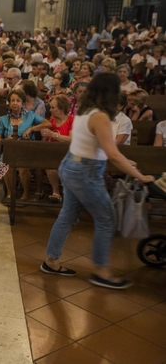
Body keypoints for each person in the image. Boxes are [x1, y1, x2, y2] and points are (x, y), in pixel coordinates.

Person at [42, 73, 153, 289]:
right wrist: (140, 176)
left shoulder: (84, 111)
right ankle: (101, 271)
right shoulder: (100, 116)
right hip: (85, 172)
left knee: (67, 216)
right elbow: (112, 153)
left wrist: (125, 160)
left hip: (71, 165)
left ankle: (51, 261)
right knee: (106, 220)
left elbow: (93, 144)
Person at [0, 89, 51, 200]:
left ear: (23, 103)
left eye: (18, 100)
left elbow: (47, 123)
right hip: (11, 150)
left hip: (27, 149)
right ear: (9, 103)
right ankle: (10, 194)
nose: (15, 103)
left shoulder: (30, 116)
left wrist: (31, 128)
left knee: (22, 167)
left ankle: (25, 194)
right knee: (7, 165)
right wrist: (5, 140)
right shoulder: (4, 119)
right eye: (12, 101)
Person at [39, 95, 74, 202]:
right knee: (50, 164)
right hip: (54, 153)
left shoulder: (72, 120)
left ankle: (70, 195)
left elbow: (72, 140)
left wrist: (54, 135)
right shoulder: (52, 121)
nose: (50, 110)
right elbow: (44, 142)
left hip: (69, 153)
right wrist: (45, 135)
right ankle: (56, 192)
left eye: (53, 108)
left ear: (62, 109)